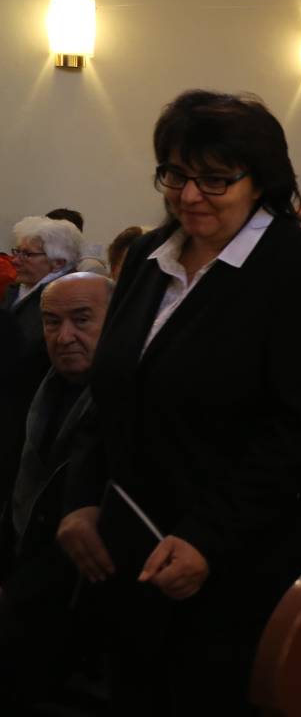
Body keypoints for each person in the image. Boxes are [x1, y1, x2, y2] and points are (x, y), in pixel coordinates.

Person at [54, 89, 301, 716]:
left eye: (215, 180)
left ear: (260, 182)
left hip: (242, 565)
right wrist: (82, 498)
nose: (190, 196)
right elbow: (111, 394)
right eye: (176, 176)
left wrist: (206, 539)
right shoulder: (147, 256)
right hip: (133, 551)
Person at [0, 272, 114, 704]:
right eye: (51, 322)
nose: (64, 336)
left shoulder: (133, 399)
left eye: (82, 320)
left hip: (92, 601)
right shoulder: (32, 384)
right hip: (28, 579)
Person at [4, 217, 83, 524]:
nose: (16, 260)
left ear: (57, 261)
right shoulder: (17, 292)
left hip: (30, 415)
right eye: (17, 251)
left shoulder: (58, 300)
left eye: (28, 254)